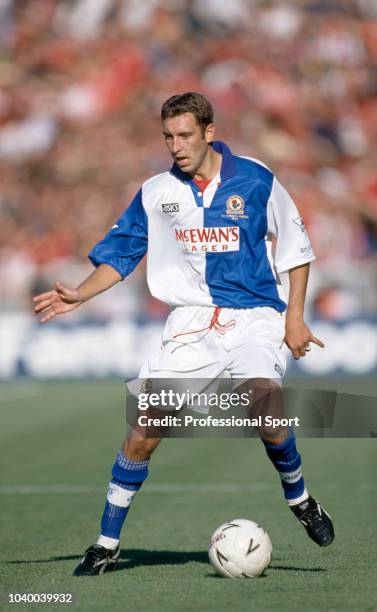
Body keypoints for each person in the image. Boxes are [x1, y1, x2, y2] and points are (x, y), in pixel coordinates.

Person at [33, 92, 334, 576]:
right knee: (142, 435)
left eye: (185, 135)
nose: (176, 145)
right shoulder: (156, 192)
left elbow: (297, 251)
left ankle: (299, 498)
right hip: (191, 324)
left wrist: (294, 319)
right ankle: (106, 544)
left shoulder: (256, 179)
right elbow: (121, 254)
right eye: (168, 136)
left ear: (209, 132)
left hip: (255, 316)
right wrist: (81, 294)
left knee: (265, 408)